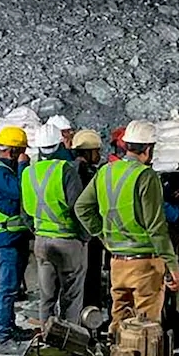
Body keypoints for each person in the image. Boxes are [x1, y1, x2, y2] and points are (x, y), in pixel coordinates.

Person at [75, 120, 179, 329]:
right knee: (146, 330)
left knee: (120, 324)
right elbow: (156, 227)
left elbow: (82, 208)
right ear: (149, 149)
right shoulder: (145, 176)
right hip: (145, 265)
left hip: (118, 263)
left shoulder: (105, 171)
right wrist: (172, 266)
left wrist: (104, 236)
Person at [23, 124, 89, 330]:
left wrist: (39, 232)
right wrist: (85, 236)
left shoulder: (28, 173)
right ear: (60, 144)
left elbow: (24, 213)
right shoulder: (65, 170)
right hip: (68, 241)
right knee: (71, 296)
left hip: (42, 242)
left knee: (47, 296)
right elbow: (77, 207)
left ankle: (47, 338)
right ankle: (69, 343)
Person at [0, 126, 37, 354]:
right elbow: (22, 191)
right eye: (21, 151)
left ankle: (10, 327)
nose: (23, 154)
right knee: (7, 288)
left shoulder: (4, 169)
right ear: (14, 151)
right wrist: (24, 166)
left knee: (11, 288)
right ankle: (3, 337)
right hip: (6, 239)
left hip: (16, 236)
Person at [72, 129, 106, 309]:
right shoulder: (86, 173)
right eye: (96, 151)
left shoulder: (70, 169)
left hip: (78, 234)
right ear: (87, 151)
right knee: (91, 277)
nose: (99, 155)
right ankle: (90, 316)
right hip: (88, 234)